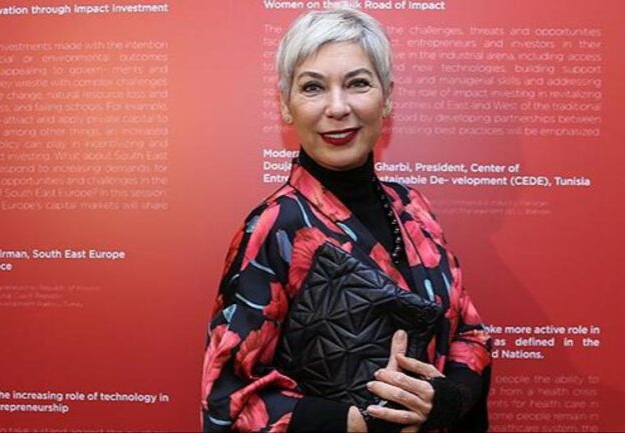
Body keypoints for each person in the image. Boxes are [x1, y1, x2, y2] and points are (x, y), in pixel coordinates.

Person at [201, 7, 491, 432]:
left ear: (387, 97)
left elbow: (469, 332)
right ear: (285, 105)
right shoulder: (275, 227)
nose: (337, 107)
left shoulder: (412, 206)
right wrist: (359, 423)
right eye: (313, 87)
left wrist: (447, 399)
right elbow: (229, 396)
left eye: (357, 83)